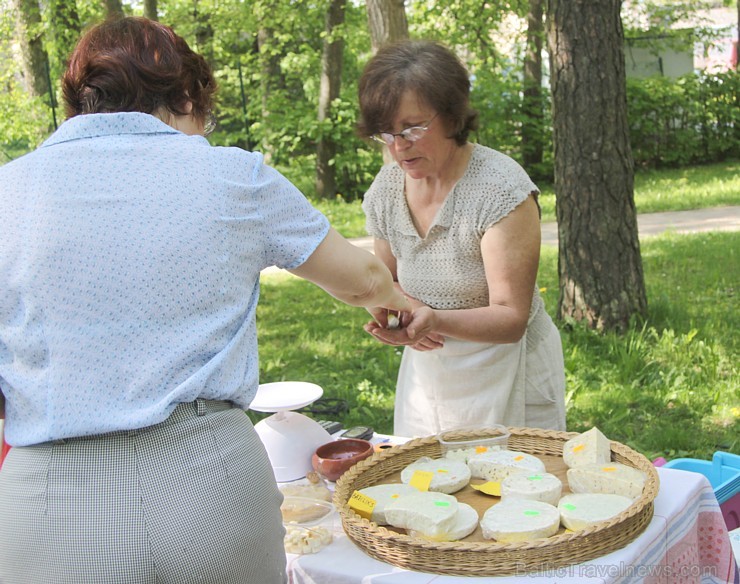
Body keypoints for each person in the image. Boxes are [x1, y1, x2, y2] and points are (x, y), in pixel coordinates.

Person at [0, 17, 410, 584]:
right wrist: (393, 302)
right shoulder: (231, 175)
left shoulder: (7, 191)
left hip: (49, 500)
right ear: (187, 94)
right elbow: (362, 278)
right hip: (210, 484)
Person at [357, 40, 566, 438]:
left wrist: (433, 319)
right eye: (386, 133)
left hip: (510, 368)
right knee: (428, 488)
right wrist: (402, 311)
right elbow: (386, 281)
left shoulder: (500, 190)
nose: (399, 146)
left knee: (515, 491)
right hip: (430, 376)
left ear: (452, 116)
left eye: (413, 128)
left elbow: (510, 318)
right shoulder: (386, 191)